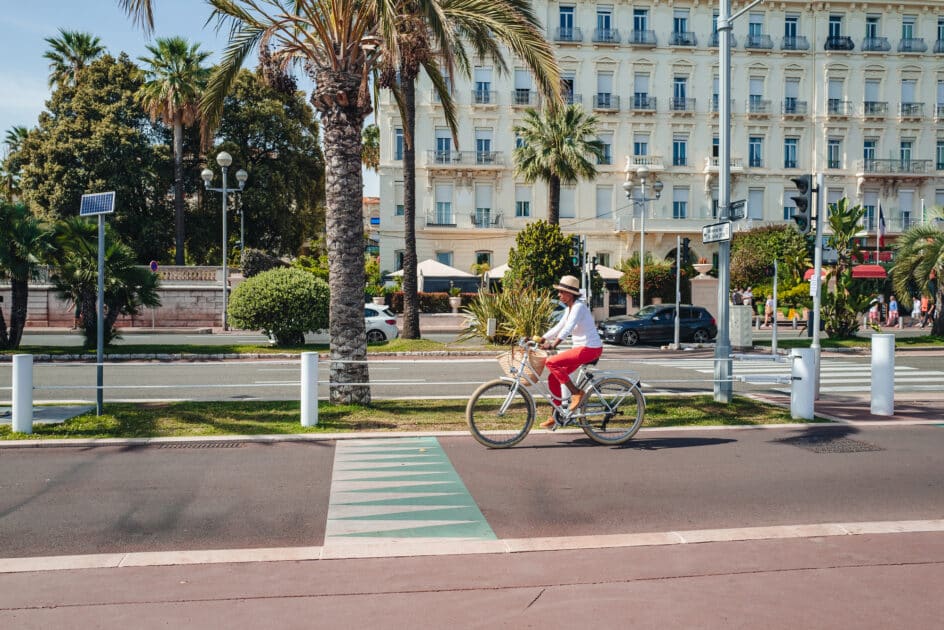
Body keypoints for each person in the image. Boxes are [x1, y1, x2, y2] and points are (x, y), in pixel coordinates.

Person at [535, 275, 603, 429]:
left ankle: (577, 393)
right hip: (580, 349)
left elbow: (568, 328)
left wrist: (554, 344)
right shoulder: (569, 308)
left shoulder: (579, 306)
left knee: (551, 362)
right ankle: (556, 414)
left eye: (562, 292)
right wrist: (541, 338)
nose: (559, 295)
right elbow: (559, 326)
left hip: (590, 348)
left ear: (571, 294)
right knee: (553, 378)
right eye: (559, 291)